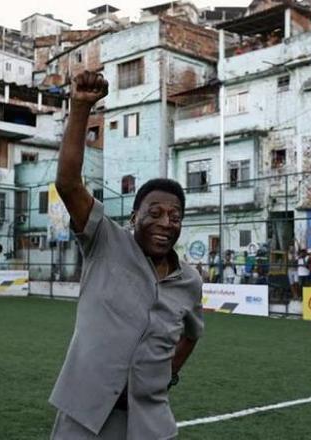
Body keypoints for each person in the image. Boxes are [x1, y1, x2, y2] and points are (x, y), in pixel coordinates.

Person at [48, 71, 203, 440]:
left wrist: (167, 374)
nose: (166, 222)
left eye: (175, 216)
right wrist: (81, 108)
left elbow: (193, 334)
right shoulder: (104, 240)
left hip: (149, 422)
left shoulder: (189, 282)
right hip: (84, 415)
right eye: (154, 213)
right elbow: (68, 184)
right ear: (134, 217)